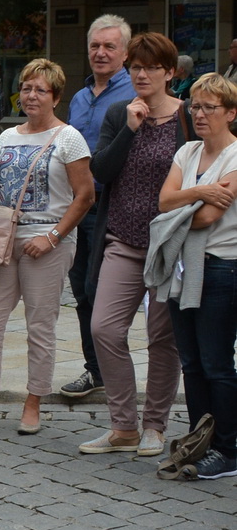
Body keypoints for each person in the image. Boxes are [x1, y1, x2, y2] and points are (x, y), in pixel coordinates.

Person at [0, 59, 94, 435]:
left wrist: (53, 236)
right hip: (7, 239)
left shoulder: (69, 138)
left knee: (40, 326)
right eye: (26, 88)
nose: (32, 95)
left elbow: (85, 195)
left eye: (41, 90)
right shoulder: (8, 137)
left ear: (55, 96)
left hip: (48, 242)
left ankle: (33, 402)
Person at [81, 33, 188, 458]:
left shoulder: (187, 118)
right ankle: (122, 425)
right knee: (104, 328)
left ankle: (155, 426)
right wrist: (129, 128)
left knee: (163, 339)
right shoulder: (116, 113)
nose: (142, 74)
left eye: (151, 67)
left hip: (170, 247)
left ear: (170, 73)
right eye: (136, 68)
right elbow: (101, 172)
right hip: (122, 239)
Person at [155, 73, 237, 480]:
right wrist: (201, 191)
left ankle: (228, 448)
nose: (199, 114)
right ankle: (199, 439)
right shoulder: (187, 152)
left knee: (217, 362)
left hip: (221, 267)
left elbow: (206, 219)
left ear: (231, 113)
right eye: (194, 106)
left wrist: (187, 204)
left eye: (209, 107)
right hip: (182, 267)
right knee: (191, 362)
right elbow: (165, 200)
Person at [62, 15, 136, 400]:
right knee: (81, 292)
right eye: (95, 46)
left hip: (112, 208)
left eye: (110, 46)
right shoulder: (79, 96)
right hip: (78, 208)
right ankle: (96, 371)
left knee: (103, 293)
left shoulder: (131, 96)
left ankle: (114, 371)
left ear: (124, 52)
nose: (101, 53)